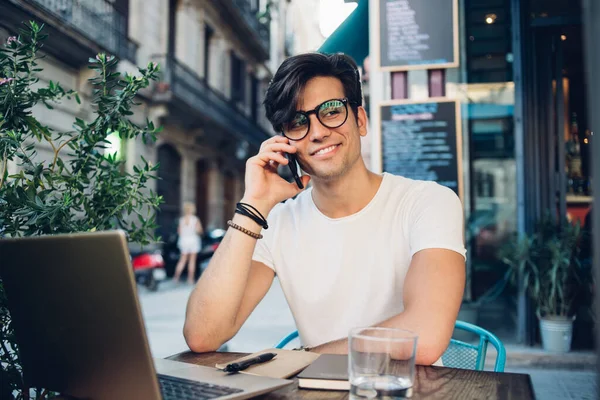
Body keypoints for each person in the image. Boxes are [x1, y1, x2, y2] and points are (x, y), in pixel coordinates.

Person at [184, 53, 466, 365]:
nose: (317, 132)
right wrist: (254, 204)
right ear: (286, 144)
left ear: (360, 120)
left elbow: (423, 338)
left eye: (331, 111)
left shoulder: (427, 202)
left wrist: (295, 360)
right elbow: (203, 334)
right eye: (297, 122)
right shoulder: (278, 222)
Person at [173, 202, 203, 284]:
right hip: (193, 240)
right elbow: (199, 230)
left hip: (183, 241)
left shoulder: (181, 220)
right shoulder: (195, 219)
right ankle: (190, 279)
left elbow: (179, 232)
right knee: (192, 261)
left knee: (182, 260)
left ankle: (176, 278)